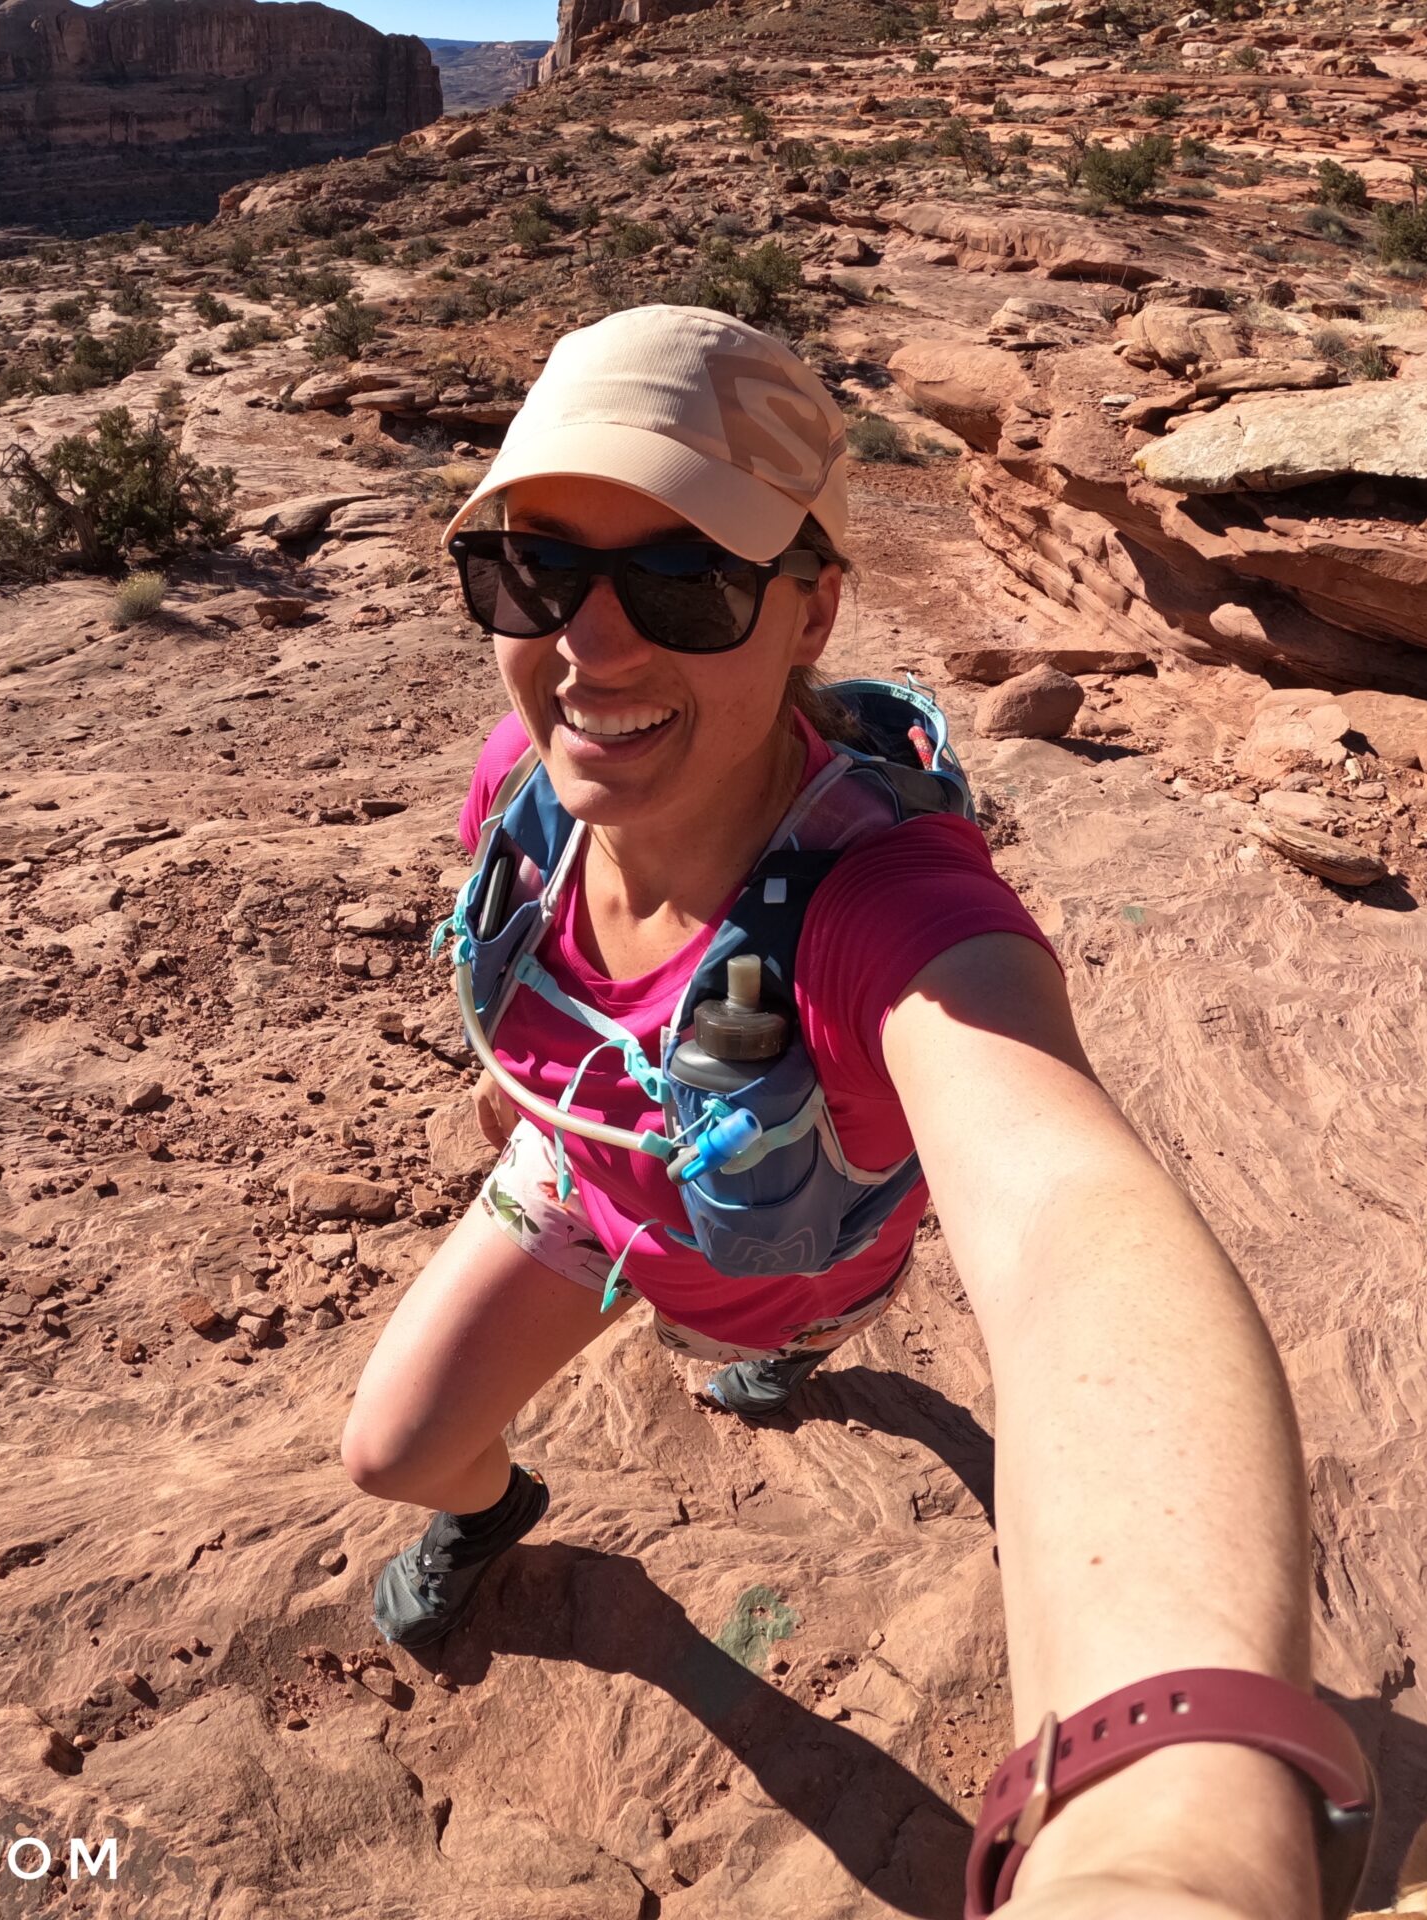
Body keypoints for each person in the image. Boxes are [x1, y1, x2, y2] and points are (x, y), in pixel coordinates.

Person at [339, 305, 1347, 1920]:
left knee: (777, 1296)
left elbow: (1085, 1233)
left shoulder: (891, 916)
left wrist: (1171, 1832)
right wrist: (511, 1107)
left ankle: (792, 1341)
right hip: (589, 1179)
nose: (592, 645)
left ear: (810, 611)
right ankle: (503, 1509)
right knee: (396, 1452)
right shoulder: (527, 784)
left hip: (776, 1243)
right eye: (533, 570)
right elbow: (531, 987)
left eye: (683, 580)